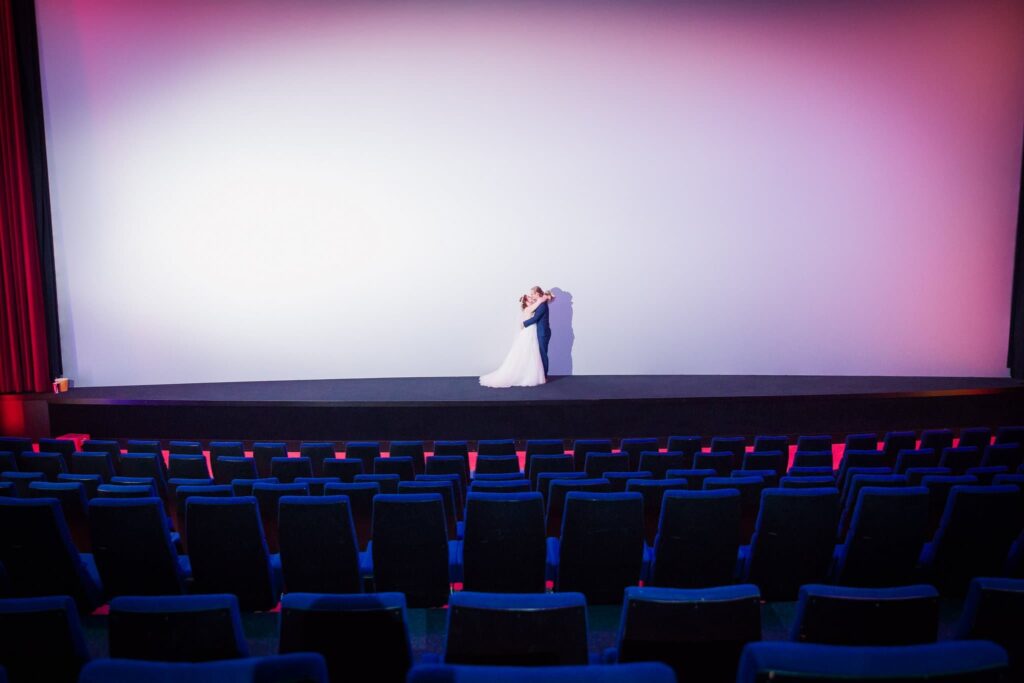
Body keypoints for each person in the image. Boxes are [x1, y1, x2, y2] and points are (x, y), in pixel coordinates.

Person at [479, 288, 554, 388]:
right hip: (531, 333)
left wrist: (524, 323)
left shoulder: (540, 304)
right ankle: (534, 375)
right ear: (526, 302)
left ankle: (542, 375)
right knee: (531, 354)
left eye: (532, 295)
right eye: (529, 297)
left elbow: (536, 317)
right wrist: (544, 298)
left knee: (539, 354)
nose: (532, 298)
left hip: (539, 333)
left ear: (537, 294)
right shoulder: (532, 307)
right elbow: (536, 314)